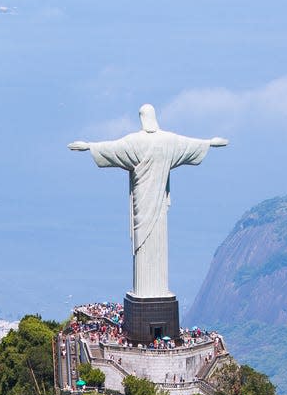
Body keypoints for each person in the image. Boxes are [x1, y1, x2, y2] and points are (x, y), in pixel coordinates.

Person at [69, 104, 227, 298]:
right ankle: (153, 291)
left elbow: (112, 148)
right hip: (158, 205)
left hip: (142, 204)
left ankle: (147, 291)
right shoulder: (168, 140)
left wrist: (89, 146)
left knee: (145, 244)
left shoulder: (135, 142)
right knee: (154, 244)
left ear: (142, 118)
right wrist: (210, 143)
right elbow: (189, 144)